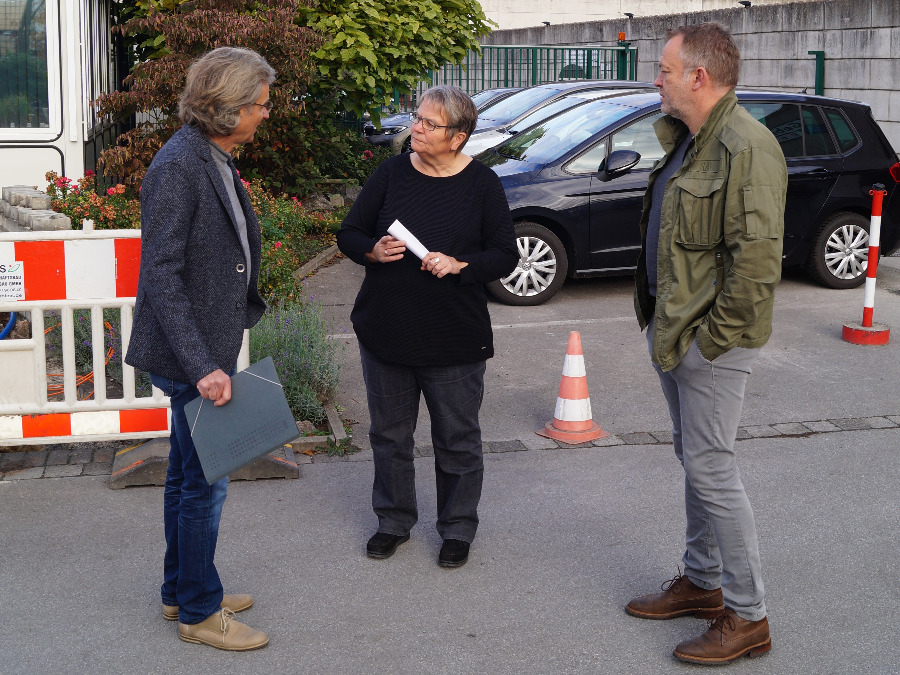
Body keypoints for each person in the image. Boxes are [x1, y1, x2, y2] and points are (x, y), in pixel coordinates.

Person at [628, 23, 786, 665]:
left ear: (699, 76)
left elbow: (757, 266)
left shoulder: (747, 146)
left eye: (664, 70)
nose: (656, 80)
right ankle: (701, 581)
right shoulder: (691, 141)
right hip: (674, 330)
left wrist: (708, 345)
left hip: (709, 343)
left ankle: (748, 615)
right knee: (695, 459)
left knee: (713, 469)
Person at [125, 46, 274, 651]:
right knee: (205, 484)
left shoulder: (210, 156)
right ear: (229, 108)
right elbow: (160, 274)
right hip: (192, 357)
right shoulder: (179, 166)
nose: (265, 113)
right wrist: (204, 366)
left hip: (204, 347)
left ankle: (180, 588)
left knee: (188, 476)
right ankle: (198, 611)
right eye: (260, 104)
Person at [338, 85, 518, 569]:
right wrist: (372, 250)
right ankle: (393, 521)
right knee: (389, 436)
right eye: (416, 118)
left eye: (427, 123)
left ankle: (457, 528)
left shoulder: (482, 184)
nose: (415, 128)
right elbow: (349, 232)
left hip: (454, 337)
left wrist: (461, 265)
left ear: (457, 137)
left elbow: (505, 254)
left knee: (457, 440)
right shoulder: (391, 173)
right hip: (387, 331)